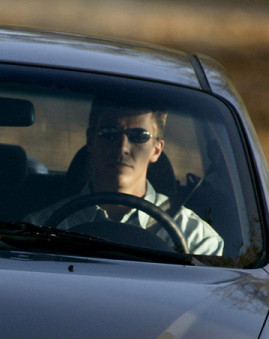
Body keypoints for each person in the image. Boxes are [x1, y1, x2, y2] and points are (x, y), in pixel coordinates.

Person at [28, 99, 223, 255]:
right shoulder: (42, 228)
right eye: (109, 133)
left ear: (157, 149)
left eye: (139, 136)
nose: (122, 148)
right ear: (90, 140)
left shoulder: (196, 239)